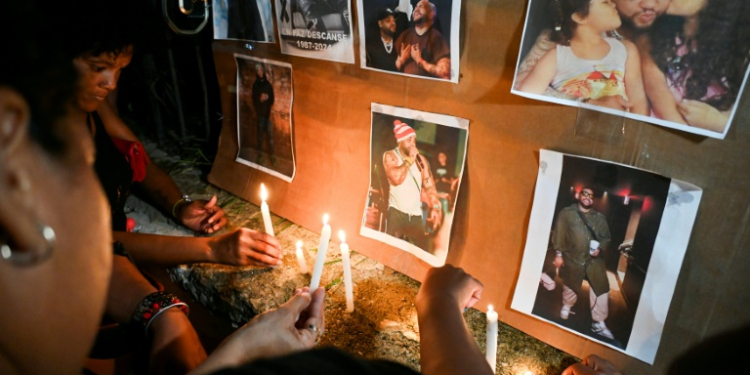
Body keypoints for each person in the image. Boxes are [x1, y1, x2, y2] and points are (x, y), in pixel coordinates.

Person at [63, 1, 282, 269]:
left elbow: (138, 158)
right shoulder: (27, 141)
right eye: (99, 68)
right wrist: (212, 249)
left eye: (120, 70)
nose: (111, 83)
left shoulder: (95, 112)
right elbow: (89, 244)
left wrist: (180, 207)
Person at [518, 0, 648, 115]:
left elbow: (638, 101)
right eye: (605, 2)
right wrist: (589, 103)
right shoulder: (556, 55)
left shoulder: (626, 49)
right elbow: (526, 93)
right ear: (580, 17)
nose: (613, 4)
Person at [638, 0, 750, 132]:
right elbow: (656, 89)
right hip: (664, 131)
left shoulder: (741, 51)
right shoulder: (650, 38)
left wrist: (718, 123)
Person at [552, 187, 614, 340]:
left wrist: (600, 248)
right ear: (579, 195)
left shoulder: (600, 218)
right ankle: (567, 305)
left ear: (593, 200)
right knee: (570, 284)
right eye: (585, 194)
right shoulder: (566, 214)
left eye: (591, 196)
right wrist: (559, 255)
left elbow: (606, 238)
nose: (588, 197)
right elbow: (558, 235)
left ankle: (598, 322)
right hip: (573, 258)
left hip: (594, 261)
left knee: (601, 287)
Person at [383, 120, 442, 251]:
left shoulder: (421, 160)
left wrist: (437, 207)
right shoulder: (390, 156)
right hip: (397, 214)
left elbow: (429, 184)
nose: (413, 143)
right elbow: (396, 178)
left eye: (414, 139)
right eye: (409, 139)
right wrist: (409, 159)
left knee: (422, 253)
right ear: (400, 140)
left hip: (416, 216)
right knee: (392, 252)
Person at [394, 0, 451, 80]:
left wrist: (419, 60)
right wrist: (401, 60)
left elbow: (445, 73)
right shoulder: (405, 35)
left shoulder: (437, 38)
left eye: (421, 6)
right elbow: (387, 66)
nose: (416, 9)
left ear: (431, 14)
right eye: (415, 7)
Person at [250, 63, 275, 165]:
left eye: (261, 70)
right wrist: (259, 98)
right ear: (257, 73)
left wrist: (267, 97)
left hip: (267, 114)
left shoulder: (268, 84)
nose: (260, 72)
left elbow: (272, 99)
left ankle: (272, 156)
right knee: (260, 136)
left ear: (263, 72)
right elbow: (253, 99)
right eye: (258, 71)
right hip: (260, 114)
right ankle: (260, 155)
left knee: (270, 137)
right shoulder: (255, 85)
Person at [366, 8, 399, 72]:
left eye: (394, 20)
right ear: (380, 23)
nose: (393, 23)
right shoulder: (372, 46)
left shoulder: (399, 42)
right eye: (388, 21)